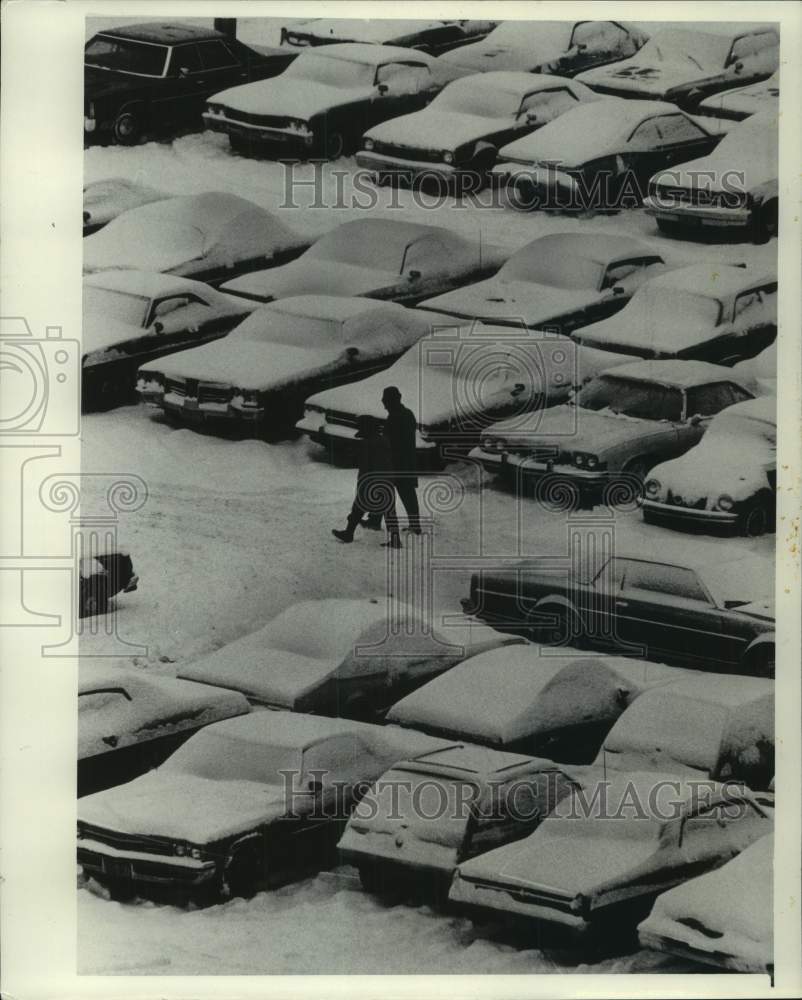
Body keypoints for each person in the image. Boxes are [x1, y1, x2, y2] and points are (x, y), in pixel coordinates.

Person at [332, 416, 399, 546]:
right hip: (387, 481)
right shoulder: (384, 440)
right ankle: (395, 539)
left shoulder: (367, 444)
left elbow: (366, 467)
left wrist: (362, 486)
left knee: (358, 507)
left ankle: (349, 533)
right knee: (390, 512)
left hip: (371, 481)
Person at [382, 385, 420, 537]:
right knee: (406, 492)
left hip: (398, 462)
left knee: (399, 492)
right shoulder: (406, 413)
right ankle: (414, 524)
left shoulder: (395, 417)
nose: (383, 402)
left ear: (391, 401)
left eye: (385, 399)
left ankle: (415, 525)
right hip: (406, 461)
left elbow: (392, 441)